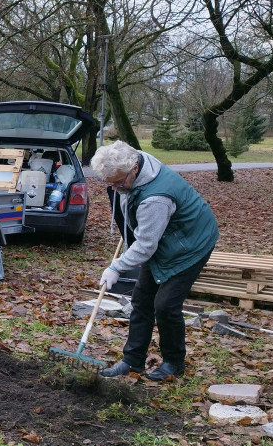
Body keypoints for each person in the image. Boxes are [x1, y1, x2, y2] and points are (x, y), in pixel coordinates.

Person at [91, 141, 219, 381]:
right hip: (166, 237)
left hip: (190, 245)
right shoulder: (134, 161)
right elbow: (140, 229)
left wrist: (116, 266)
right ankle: (132, 361)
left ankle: (173, 362)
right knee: (141, 299)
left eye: (118, 182)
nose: (114, 187)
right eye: (110, 182)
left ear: (134, 170)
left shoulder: (156, 199)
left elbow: (147, 246)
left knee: (166, 306)